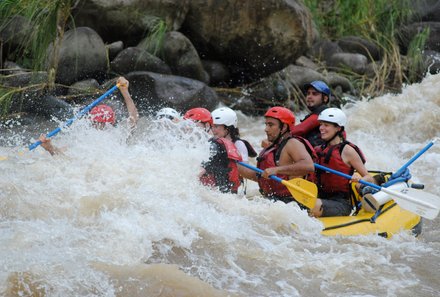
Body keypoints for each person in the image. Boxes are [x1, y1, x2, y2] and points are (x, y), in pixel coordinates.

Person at [39, 76, 138, 155]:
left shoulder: (85, 139)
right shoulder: (115, 138)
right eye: (98, 123)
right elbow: (134, 118)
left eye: (102, 124)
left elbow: (63, 156)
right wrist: (50, 147)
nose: (100, 126)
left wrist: (50, 148)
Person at [238, 106, 315, 203]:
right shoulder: (275, 146)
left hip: (291, 203)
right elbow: (261, 177)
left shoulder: (293, 143)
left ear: (284, 127)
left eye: (271, 125)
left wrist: (277, 169)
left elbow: (308, 166)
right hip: (273, 201)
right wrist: (235, 164)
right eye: (266, 124)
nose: (266, 129)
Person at [311, 108, 374, 217]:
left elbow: (369, 177)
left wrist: (360, 180)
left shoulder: (347, 151)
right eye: (321, 124)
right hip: (319, 196)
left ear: (338, 128)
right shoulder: (317, 150)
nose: (321, 128)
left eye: (326, 125)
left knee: (312, 205)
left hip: (341, 203)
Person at [261, 80, 330, 149]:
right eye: (308, 93)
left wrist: (276, 139)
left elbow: (301, 129)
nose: (309, 96)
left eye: (314, 94)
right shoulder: (317, 112)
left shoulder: (323, 112)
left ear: (325, 98)